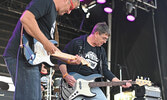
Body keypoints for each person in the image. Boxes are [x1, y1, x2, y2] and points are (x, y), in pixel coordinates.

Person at [3, 0, 81, 100]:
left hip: (31, 59)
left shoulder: (52, 13)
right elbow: (26, 18)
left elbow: (50, 48)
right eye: (71, 8)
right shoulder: (46, 2)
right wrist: (46, 42)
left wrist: (69, 60)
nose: (69, 12)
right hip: (24, 56)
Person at [58, 22, 132, 100]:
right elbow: (61, 59)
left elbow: (105, 70)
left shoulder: (101, 51)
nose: (105, 42)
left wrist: (120, 82)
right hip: (73, 84)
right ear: (96, 34)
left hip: (91, 85)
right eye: (104, 38)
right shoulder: (77, 43)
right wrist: (65, 75)